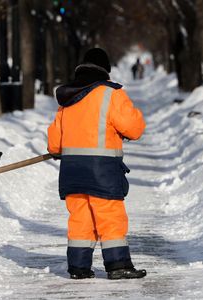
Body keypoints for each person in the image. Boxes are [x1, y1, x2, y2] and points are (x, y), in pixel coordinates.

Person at [47, 48, 147, 280]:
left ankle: (79, 267)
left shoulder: (68, 98)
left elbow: (54, 143)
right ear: (106, 71)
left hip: (72, 170)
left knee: (80, 218)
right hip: (101, 169)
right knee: (110, 216)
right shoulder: (111, 94)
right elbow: (134, 129)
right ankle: (118, 265)